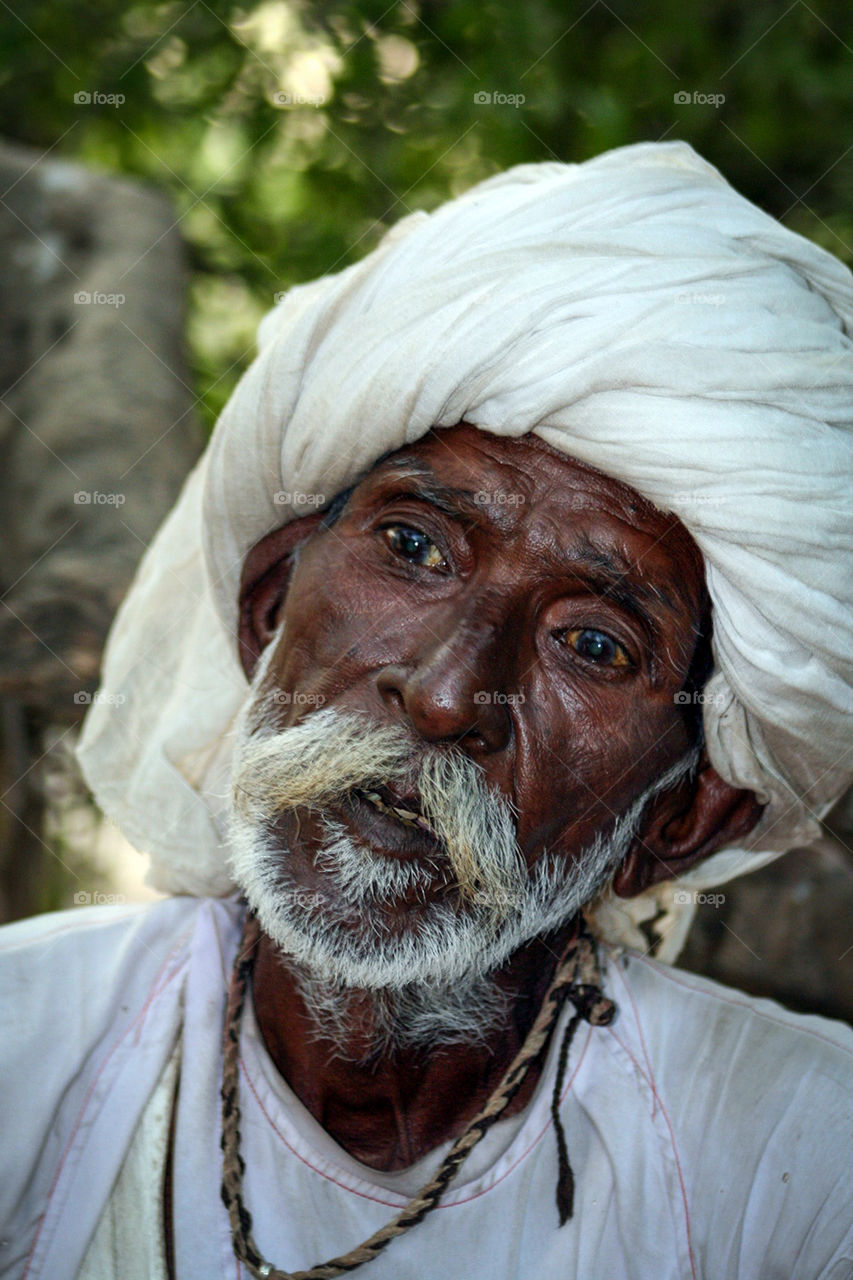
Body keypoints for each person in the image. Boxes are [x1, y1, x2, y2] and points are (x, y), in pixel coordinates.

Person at [2, 141, 852, 1280]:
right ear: (267, 609)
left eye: (591, 643)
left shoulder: (801, 1160)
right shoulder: (25, 1041)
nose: (448, 693)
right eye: (413, 547)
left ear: (682, 816)